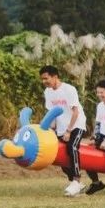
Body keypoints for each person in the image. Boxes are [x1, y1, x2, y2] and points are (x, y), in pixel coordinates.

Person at [39, 65, 90, 196]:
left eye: (46, 78)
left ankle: (77, 180)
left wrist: (68, 131)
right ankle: (74, 182)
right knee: (60, 154)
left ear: (55, 76)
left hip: (76, 124)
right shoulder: (48, 92)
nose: (44, 82)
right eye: (42, 79)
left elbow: (76, 112)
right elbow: (52, 113)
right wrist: (51, 129)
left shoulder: (69, 89)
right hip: (61, 127)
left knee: (72, 147)